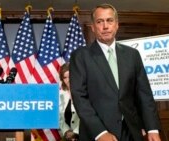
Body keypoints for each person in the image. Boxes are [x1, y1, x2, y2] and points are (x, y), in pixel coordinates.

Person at [69, 3, 161, 141]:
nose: (105, 26)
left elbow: (144, 94)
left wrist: (152, 128)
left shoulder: (132, 55)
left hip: (131, 132)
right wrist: (100, 133)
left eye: (110, 21)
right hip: (97, 133)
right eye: (100, 21)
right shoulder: (80, 56)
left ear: (116, 25)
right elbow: (79, 98)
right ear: (93, 27)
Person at [59, 62, 80, 141]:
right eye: (65, 77)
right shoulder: (60, 94)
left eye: (70, 76)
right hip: (67, 137)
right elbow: (59, 117)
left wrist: (75, 132)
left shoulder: (87, 92)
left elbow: (88, 116)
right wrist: (66, 131)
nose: (68, 80)